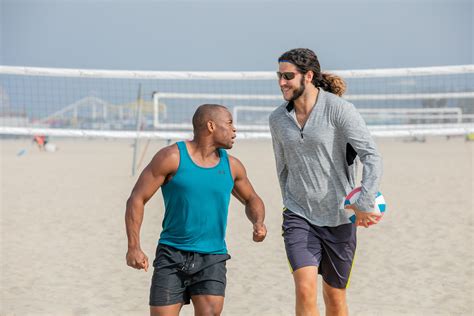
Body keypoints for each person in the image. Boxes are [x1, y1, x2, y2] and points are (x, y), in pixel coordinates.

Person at [269, 48, 383, 316]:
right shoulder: (277, 119)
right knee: (305, 288)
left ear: (308, 76)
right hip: (299, 215)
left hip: (340, 218)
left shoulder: (339, 110)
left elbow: (372, 155)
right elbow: (281, 167)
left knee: (334, 297)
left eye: (288, 76)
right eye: (279, 76)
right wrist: (290, 200)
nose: (282, 82)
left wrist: (365, 201)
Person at [125, 104, 267, 316]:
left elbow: (252, 199)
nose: (234, 129)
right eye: (229, 123)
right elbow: (137, 198)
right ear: (211, 126)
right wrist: (133, 247)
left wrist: (258, 222)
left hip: (213, 257)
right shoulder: (171, 157)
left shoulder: (233, 166)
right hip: (171, 254)